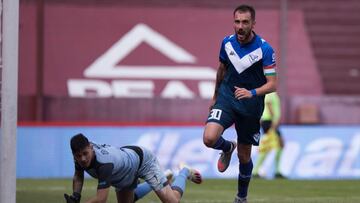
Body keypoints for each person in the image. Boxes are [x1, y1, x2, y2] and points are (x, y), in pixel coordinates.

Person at [202, 4, 277, 203]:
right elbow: (221, 69)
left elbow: (273, 84)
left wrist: (252, 92)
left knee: (245, 157)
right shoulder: (226, 43)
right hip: (227, 99)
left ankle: (241, 197)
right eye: (237, 21)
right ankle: (227, 147)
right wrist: (215, 96)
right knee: (209, 138)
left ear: (253, 23)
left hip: (250, 108)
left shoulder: (265, 49)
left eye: (245, 22)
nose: (240, 26)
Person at [64, 133, 202, 203]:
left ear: (91, 147)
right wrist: (76, 195)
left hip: (143, 161)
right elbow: (78, 174)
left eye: (85, 154)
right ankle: (163, 177)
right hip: (124, 167)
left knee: (173, 201)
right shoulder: (81, 152)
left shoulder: (104, 165)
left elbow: (101, 199)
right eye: (78, 155)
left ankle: (183, 171)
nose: (82, 159)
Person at [253, 91, 286, 179]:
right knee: (278, 144)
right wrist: (274, 121)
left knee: (277, 145)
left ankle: (275, 171)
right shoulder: (269, 93)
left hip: (268, 121)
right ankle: (275, 171)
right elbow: (269, 105)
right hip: (269, 122)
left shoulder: (271, 93)